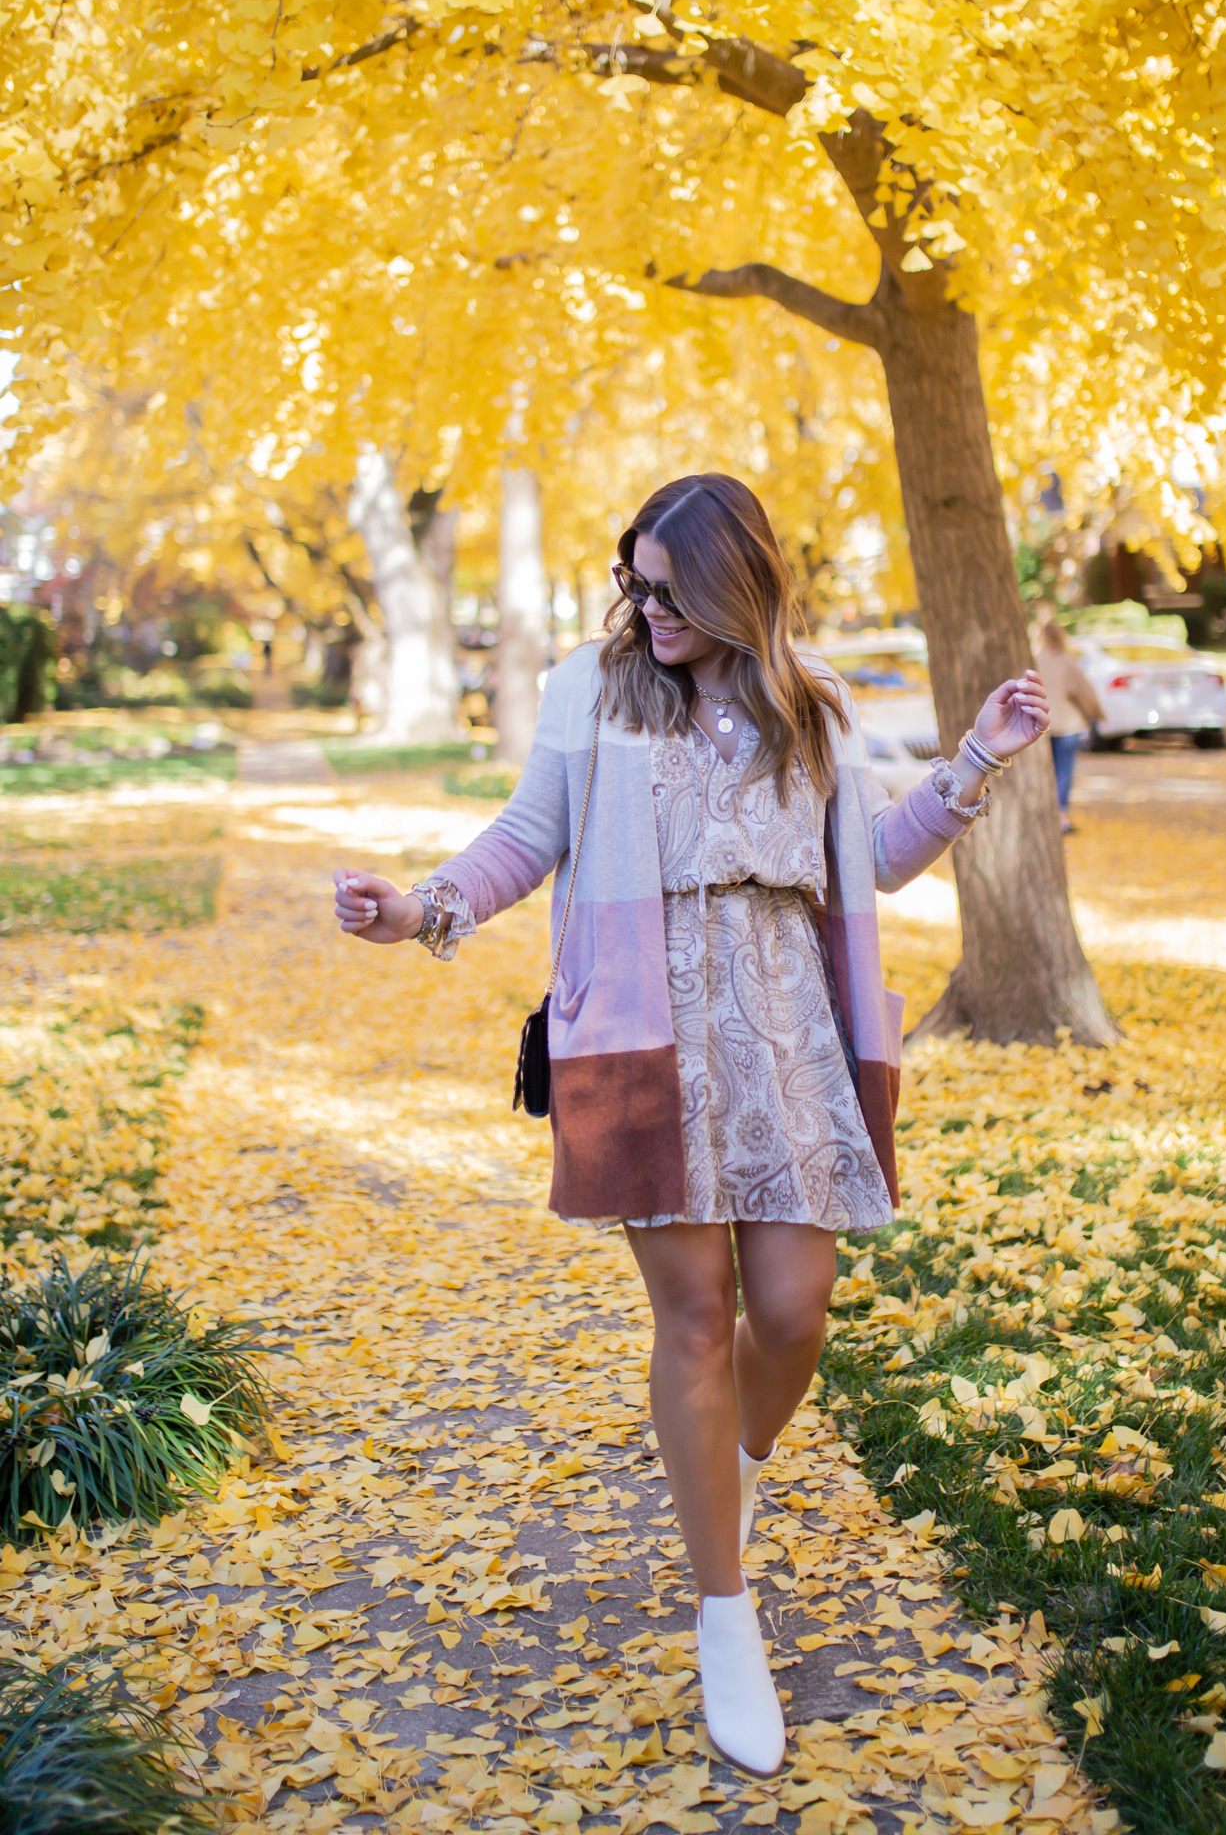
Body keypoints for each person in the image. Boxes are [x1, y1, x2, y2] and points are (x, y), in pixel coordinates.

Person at [331, 475, 1050, 1778]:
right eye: (636, 583)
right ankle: (727, 1611)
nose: (646, 608)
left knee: (791, 1313)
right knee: (693, 1320)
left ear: (736, 585)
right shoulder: (587, 693)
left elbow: (872, 858)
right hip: (650, 1033)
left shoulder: (810, 697)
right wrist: (418, 908)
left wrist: (978, 758)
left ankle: (726, 1467)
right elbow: (523, 839)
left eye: (672, 588)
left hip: (787, 1039)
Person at [1031, 616, 1103, 833]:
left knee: (1046, 773)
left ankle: (1046, 816)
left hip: (1042, 725)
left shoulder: (1035, 660)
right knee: (1064, 772)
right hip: (1068, 724)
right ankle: (1061, 817)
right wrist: (1094, 713)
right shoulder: (1066, 660)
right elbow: (1082, 690)